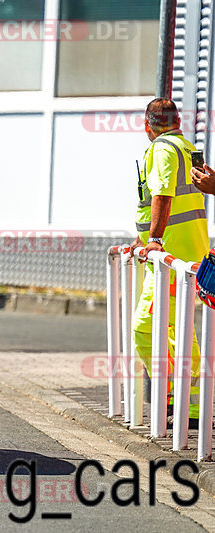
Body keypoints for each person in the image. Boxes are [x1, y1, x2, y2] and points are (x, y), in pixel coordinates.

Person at [132, 98, 209, 424]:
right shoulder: (184, 145)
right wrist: (145, 236)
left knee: (150, 330)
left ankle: (182, 404)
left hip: (171, 257)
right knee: (172, 330)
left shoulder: (163, 149)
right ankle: (182, 403)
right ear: (177, 120)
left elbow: (163, 193)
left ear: (148, 124)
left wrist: (154, 240)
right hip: (182, 253)